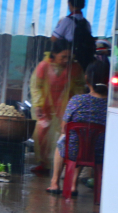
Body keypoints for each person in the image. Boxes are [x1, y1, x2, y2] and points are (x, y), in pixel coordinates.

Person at [46, 61, 108, 195]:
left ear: (87, 78)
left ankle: (55, 183)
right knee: (84, 141)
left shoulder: (77, 100)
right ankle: (73, 184)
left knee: (64, 141)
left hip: (74, 150)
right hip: (100, 151)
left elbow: (64, 128)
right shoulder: (111, 105)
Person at [30, 39, 86, 175]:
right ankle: (44, 164)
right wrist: (37, 104)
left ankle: (63, 167)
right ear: (53, 54)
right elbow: (36, 86)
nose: (66, 60)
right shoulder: (43, 66)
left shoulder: (75, 68)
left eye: (69, 57)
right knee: (42, 135)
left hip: (67, 108)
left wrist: (77, 105)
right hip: (46, 107)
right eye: (63, 57)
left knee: (64, 135)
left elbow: (80, 86)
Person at [53, 0, 96, 69]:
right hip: (83, 63)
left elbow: (54, 38)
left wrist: (58, 24)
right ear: (83, 4)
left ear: (69, 3)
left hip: (68, 62)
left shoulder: (66, 21)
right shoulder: (87, 23)